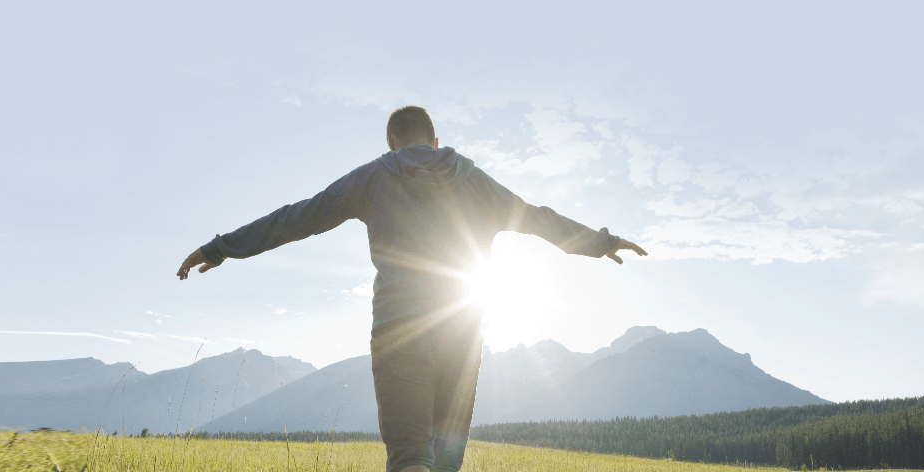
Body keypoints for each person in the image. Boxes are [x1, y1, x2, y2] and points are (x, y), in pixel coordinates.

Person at [175, 106, 647, 472]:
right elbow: (540, 219)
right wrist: (601, 242)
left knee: (409, 459)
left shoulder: (375, 175)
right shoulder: (474, 180)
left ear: (392, 142)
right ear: (436, 140)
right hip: (462, 336)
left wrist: (221, 248)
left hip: (400, 331)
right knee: (443, 460)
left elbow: (297, 217)